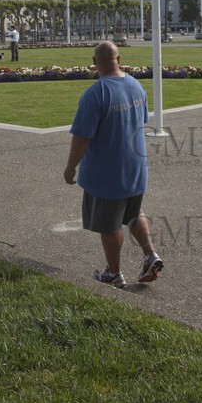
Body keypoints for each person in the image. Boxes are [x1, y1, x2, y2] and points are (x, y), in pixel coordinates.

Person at [63, 40, 163, 290]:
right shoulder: (136, 85)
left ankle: (114, 273)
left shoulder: (96, 93)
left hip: (108, 174)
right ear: (119, 58)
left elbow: (82, 137)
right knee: (133, 213)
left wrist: (70, 167)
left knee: (109, 226)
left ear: (94, 62)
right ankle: (150, 254)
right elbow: (140, 121)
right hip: (136, 170)